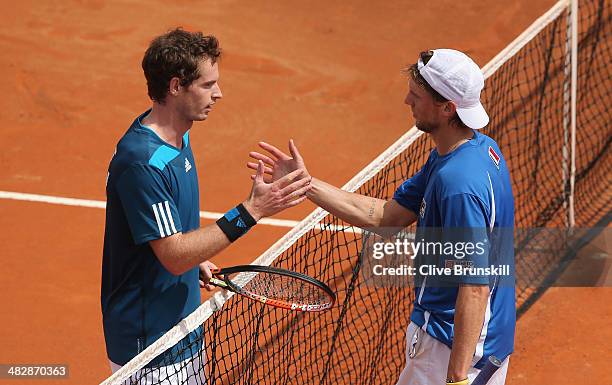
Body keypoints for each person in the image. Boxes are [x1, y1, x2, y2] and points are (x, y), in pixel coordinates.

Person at [248, 49, 515, 385]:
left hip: (450, 347)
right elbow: (386, 217)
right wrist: (305, 184)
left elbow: (473, 287)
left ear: (448, 108)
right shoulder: (474, 150)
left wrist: (458, 378)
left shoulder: (457, 183)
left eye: (416, 96)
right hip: (483, 339)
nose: (407, 100)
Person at [101, 28, 311, 383]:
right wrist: (252, 210)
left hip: (181, 328)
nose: (219, 93)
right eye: (207, 84)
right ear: (175, 87)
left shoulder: (176, 134)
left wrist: (196, 259)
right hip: (150, 349)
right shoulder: (143, 162)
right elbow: (174, 255)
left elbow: (174, 241)